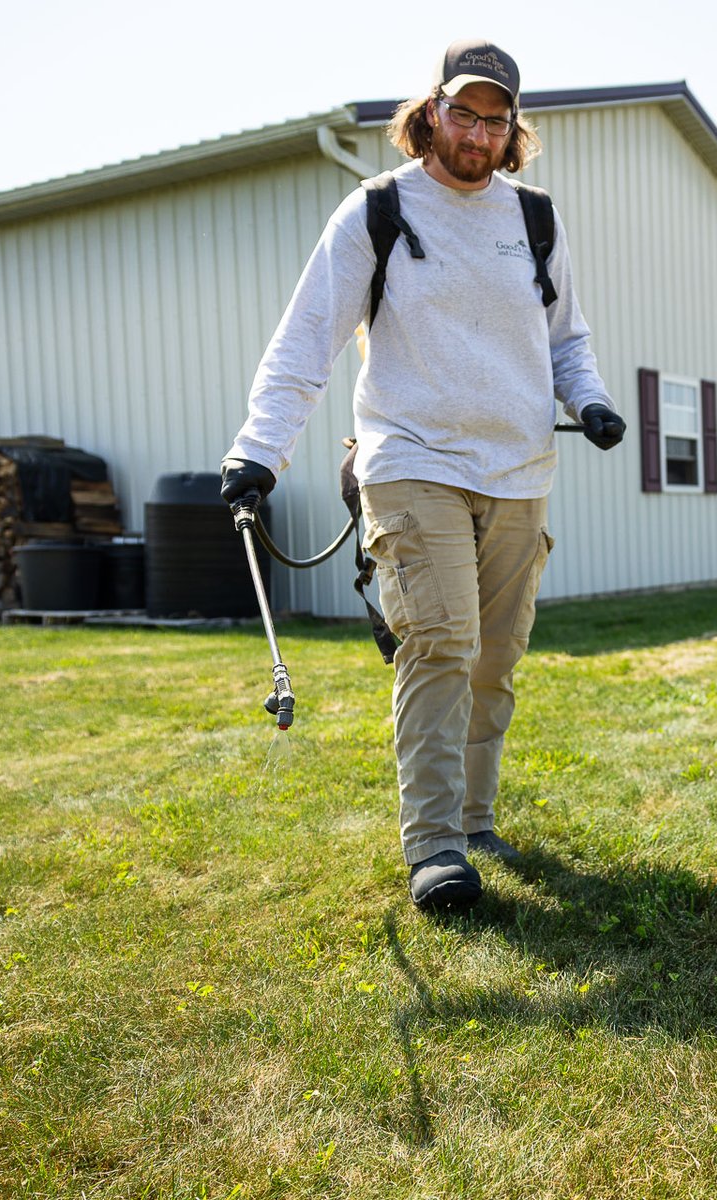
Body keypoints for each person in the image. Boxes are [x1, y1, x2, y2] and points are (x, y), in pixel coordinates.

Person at [219, 38, 625, 913]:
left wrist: (589, 400)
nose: (477, 134)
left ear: (513, 129)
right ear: (432, 111)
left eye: (495, 120)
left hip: (519, 471)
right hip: (411, 461)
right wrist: (259, 451)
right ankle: (435, 846)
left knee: (495, 658)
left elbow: (567, 340)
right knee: (442, 641)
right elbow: (307, 340)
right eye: (463, 113)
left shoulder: (535, 220)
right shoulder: (377, 211)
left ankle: (476, 821)